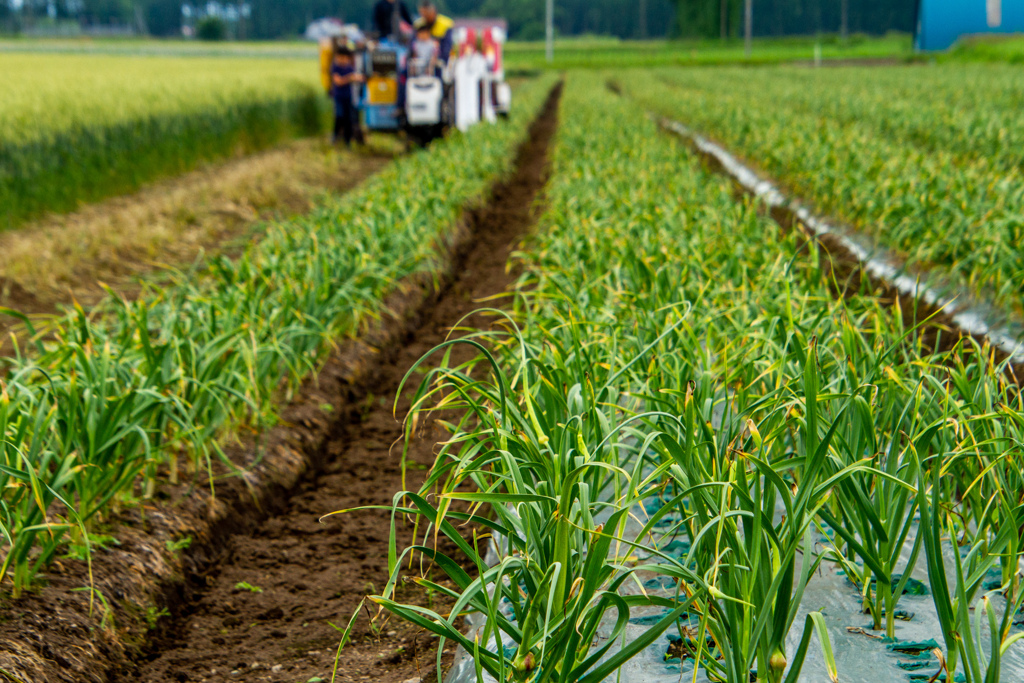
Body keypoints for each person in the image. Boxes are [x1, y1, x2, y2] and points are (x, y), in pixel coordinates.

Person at [331, 43, 366, 147]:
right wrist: (350, 78)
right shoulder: (335, 67)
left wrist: (359, 78)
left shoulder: (349, 68)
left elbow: (357, 77)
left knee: (348, 119)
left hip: (348, 97)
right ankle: (335, 136)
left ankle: (348, 141)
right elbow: (338, 81)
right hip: (339, 96)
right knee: (339, 116)